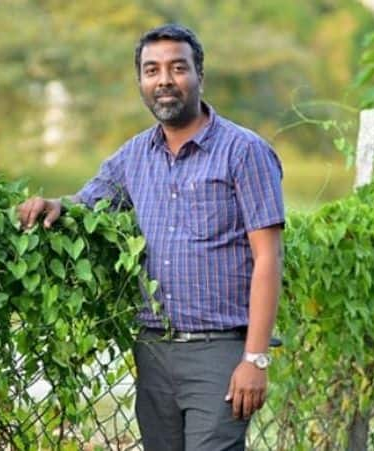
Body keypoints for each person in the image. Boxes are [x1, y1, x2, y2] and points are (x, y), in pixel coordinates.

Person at [17, 24, 284, 450]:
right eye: (151, 70)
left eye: (178, 68)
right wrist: (54, 204)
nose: (164, 80)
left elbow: (268, 259)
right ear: (140, 81)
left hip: (219, 352)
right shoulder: (133, 155)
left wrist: (255, 359)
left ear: (200, 76)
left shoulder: (244, 152)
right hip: (153, 352)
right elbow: (88, 202)